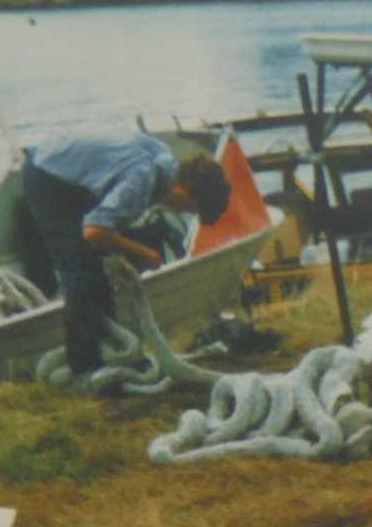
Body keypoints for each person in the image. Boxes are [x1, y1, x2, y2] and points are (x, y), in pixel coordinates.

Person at [22, 133, 231, 378]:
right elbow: (94, 231)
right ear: (183, 188)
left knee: (95, 273)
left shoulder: (164, 163)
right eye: (191, 207)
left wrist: (117, 257)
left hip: (70, 174)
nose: (184, 211)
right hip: (47, 174)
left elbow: (107, 213)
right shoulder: (143, 179)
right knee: (80, 272)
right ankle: (86, 370)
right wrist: (141, 253)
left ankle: (108, 354)